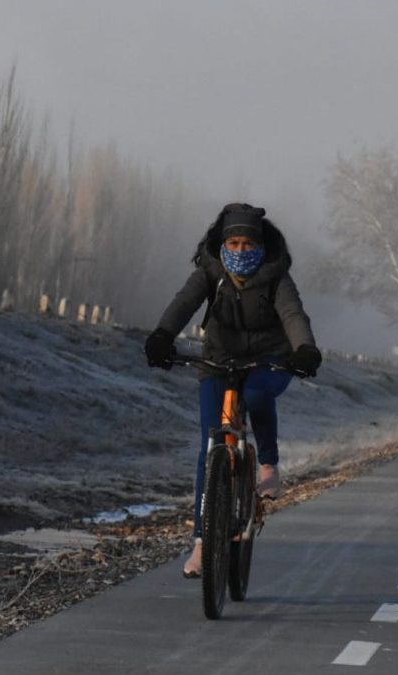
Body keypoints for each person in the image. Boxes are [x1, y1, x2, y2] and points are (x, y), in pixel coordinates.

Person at [144, 202, 322, 578]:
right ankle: (201, 542)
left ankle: (269, 465)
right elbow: (183, 304)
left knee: (257, 396)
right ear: (223, 244)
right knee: (211, 444)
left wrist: (304, 349)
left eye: (248, 244)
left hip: (270, 360)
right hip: (219, 361)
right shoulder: (210, 271)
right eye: (234, 243)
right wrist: (162, 336)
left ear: (261, 245)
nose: (241, 251)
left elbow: (293, 315)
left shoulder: (276, 277)